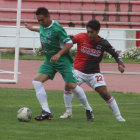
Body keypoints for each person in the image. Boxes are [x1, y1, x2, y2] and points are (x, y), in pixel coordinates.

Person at [25, 7, 93, 122]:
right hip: (50, 61)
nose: (40, 23)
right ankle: (46, 111)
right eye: (38, 21)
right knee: (36, 81)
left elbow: (69, 43)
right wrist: (33, 29)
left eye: (42, 20)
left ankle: (88, 109)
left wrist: (59, 54)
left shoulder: (57, 28)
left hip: (62, 60)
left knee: (72, 85)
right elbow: (43, 30)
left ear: (48, 17)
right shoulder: (43, 26)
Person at [60, 20, 126, 122]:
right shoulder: (81, 36)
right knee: (68, 86)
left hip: (94, 73)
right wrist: (68, 39)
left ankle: (119, 117)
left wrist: (120, 64)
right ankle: (68, 112)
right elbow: (67, 44)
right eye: (88, 31)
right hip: (78, 71)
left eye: (92, 32)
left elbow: (115, 53)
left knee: (104, 94)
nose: (89, 34)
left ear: (98, 31)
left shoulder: (103, 43)